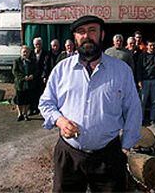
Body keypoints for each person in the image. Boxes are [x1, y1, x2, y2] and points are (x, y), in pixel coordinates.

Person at [39, 15, 142, 192]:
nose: (86, 36)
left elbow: (133, 110)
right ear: (74, 38)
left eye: (92, 30)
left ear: (102, 35)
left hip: (108, 156)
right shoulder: (61, 70)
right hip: (69, 156)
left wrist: (125, 146)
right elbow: (46, 102)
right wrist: (60, 121)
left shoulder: (121, 71)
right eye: (81, 32)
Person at [137, 40, 155, 127]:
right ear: (147, 46)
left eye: (153, 45)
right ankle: (140, 119)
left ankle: (152, 119)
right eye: (150, 45)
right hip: (145, 80)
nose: (152, 47)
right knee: (142, 101)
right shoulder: (142, 56)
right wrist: (139, 80)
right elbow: (139, 68)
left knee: (154, 101)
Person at [12, 46, 38, 121]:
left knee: (27, 100)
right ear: (21, 53)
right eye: (24, 52)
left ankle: (25, 113)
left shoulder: (33, 61)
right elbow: (15, 71)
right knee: (19, 100)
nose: (25, 54)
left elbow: (36, 70)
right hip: (20, 84)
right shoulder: (17, 61)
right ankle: (20, 114)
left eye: (27, 52)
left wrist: (32, 75)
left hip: (30, 84)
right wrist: (23, 77)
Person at [30, 37, 49, 115]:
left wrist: (44, 76)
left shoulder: (46, 53)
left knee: (41, 93)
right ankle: (32, 109)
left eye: (39, 44)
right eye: (36, 44)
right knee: (32, 93)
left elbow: (46, 65)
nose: (37, 46)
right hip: (32, 77)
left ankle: (40, 109)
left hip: (41, 77)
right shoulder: (31, 53)